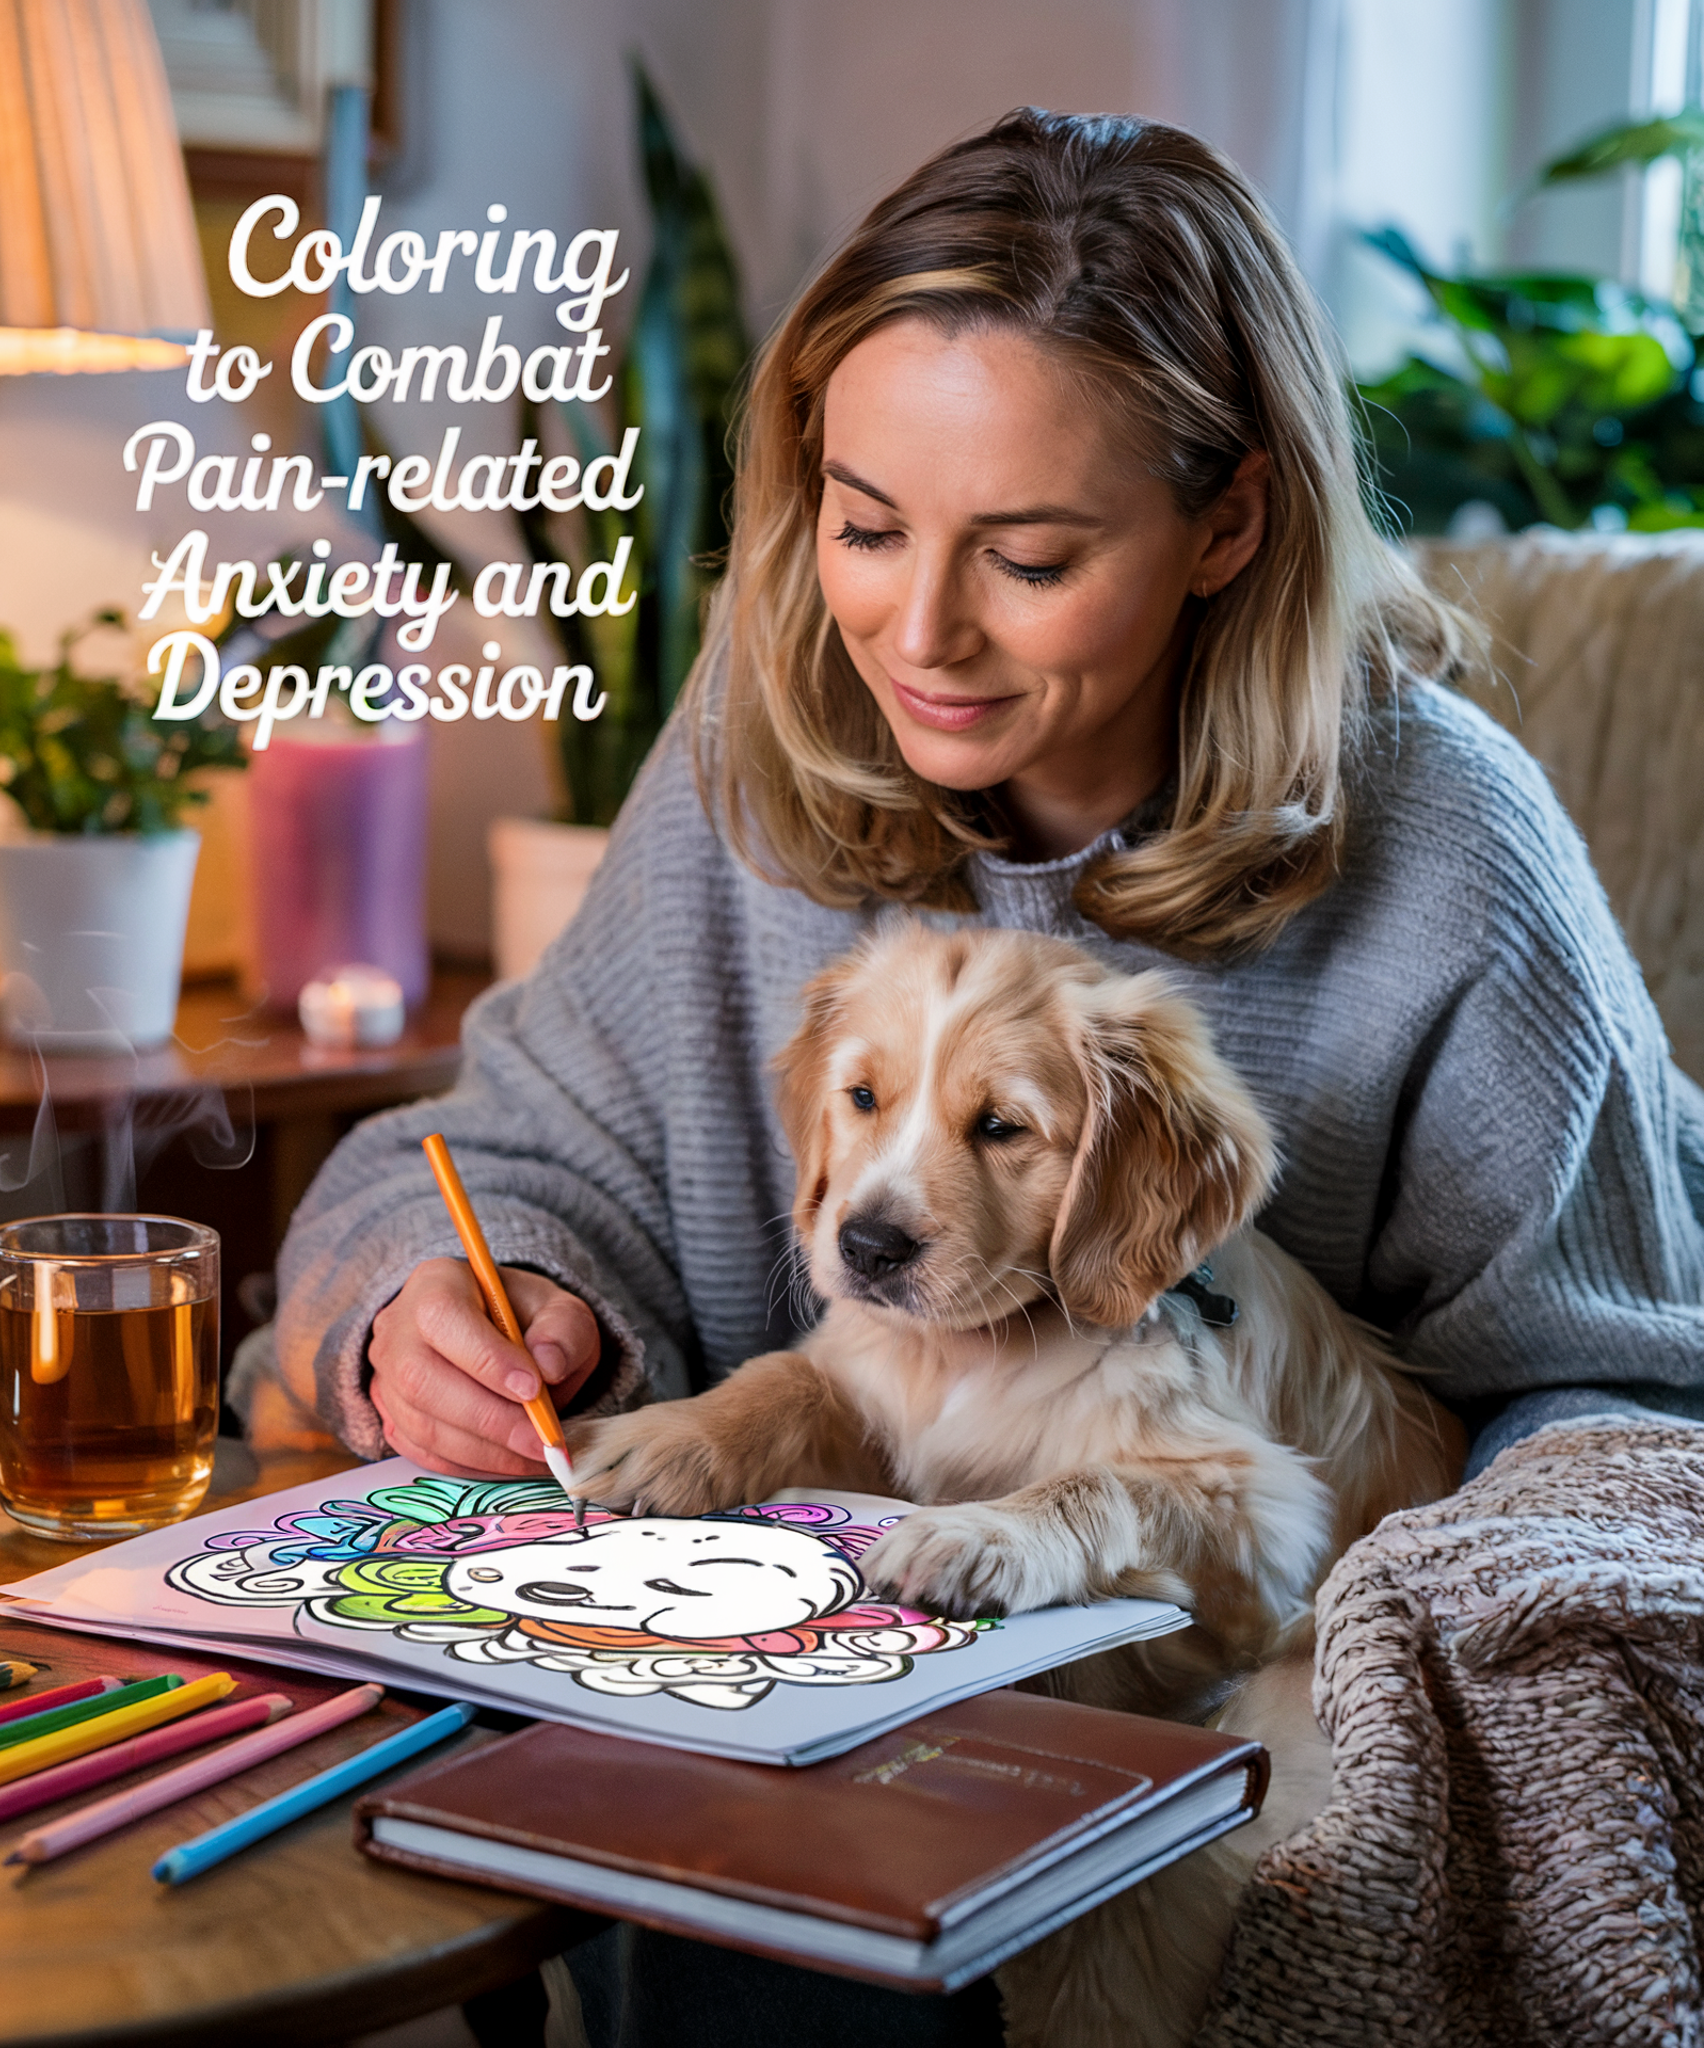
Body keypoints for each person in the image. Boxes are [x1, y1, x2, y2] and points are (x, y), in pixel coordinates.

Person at [258, 109, 1704, 2047]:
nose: (915, 634)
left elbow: (1624, 1408)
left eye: (1026, 556)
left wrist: (1328, 1663)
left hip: (1256, 1685)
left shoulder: (1448, 846)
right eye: (863, 525)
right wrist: (457, 1306)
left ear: (1228, 524)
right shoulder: (757, 757)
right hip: (808, 1718)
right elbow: (481, 1154)